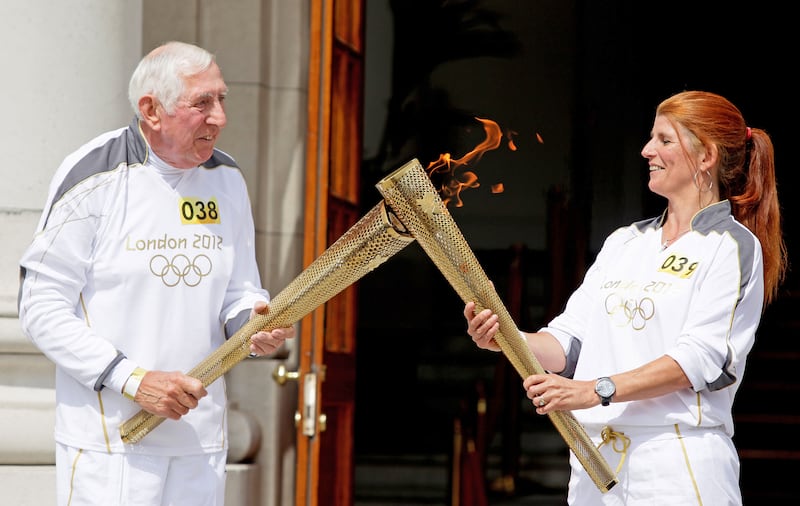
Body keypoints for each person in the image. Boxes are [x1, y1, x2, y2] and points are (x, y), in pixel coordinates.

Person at [464, 90, 786, 505]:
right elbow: (568, 341)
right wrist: (506, 337)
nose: (647, 150)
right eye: (652, 137)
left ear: (705, 156)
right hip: (595, 468)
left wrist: (593, 390)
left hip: (676, 464)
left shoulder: (730, 246)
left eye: (664, 140)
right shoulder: (625, 243)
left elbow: (699, 360)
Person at [17, 41, 295, 506]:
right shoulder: (94, 176)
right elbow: (40, 306)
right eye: (202, 103)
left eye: (222, 99)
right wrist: (132, 379)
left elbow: (239, 291)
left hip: (199, 443)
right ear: (151, 109)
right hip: (112, 442)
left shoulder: (227, 179)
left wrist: (253, 325)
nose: (220, 117)